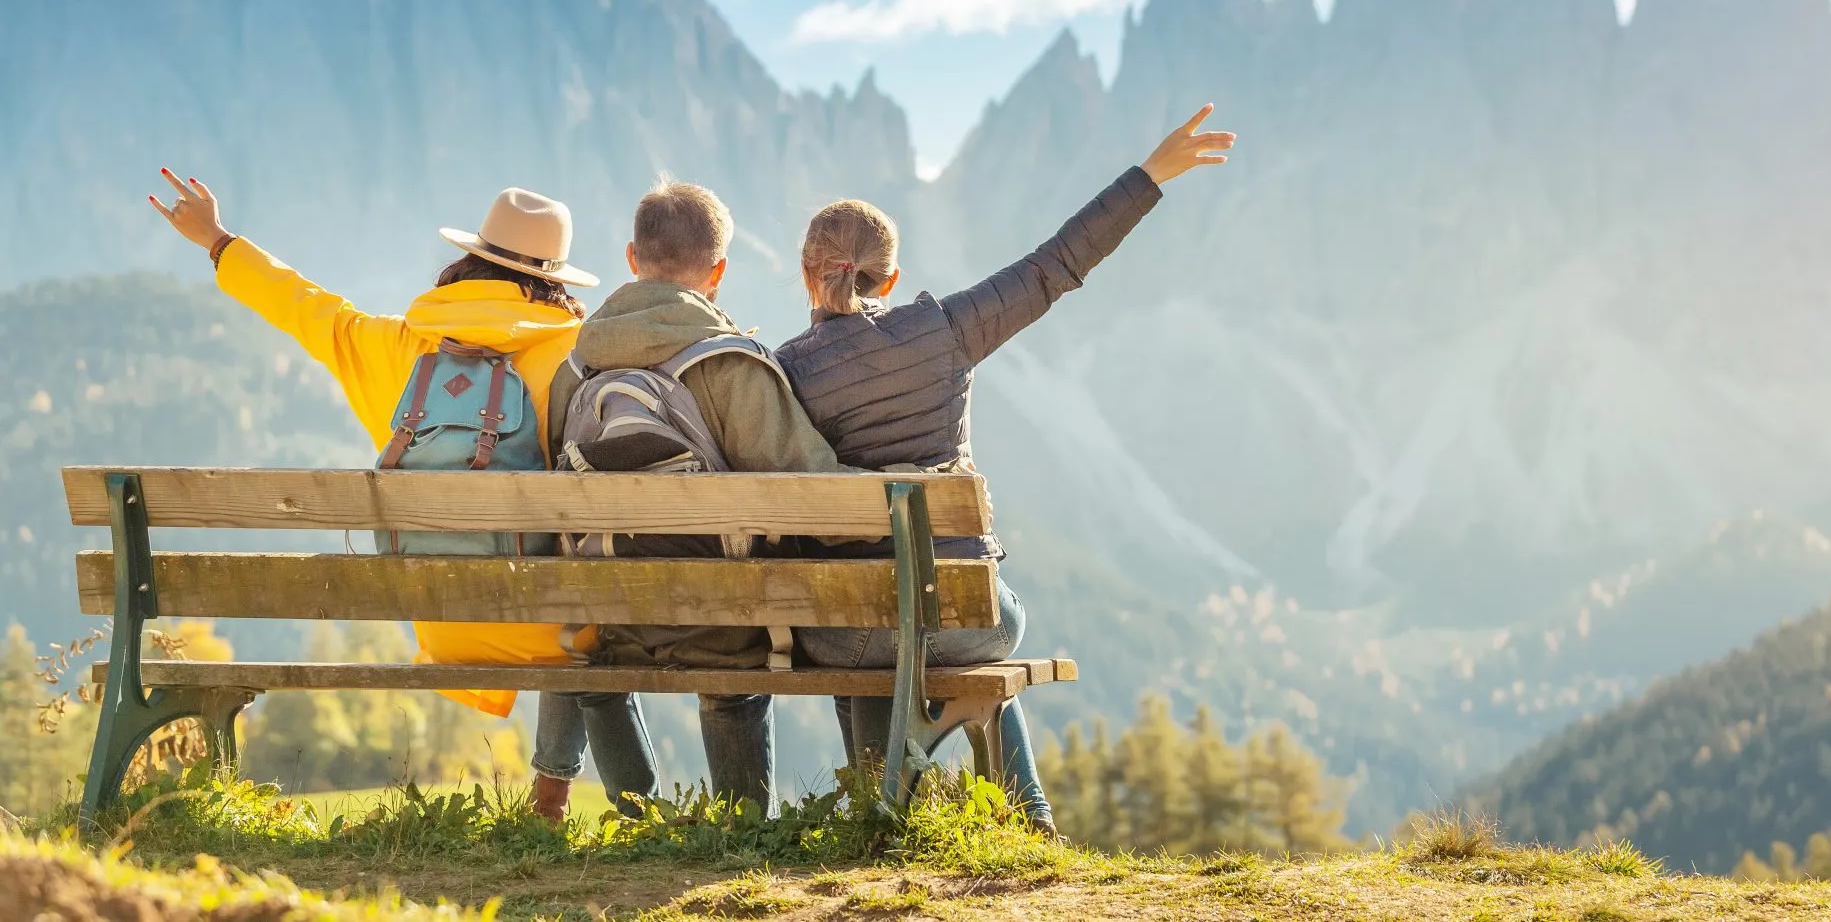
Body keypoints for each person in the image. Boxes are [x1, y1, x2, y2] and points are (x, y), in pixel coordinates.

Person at [775, 104, 1235, 837]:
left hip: (848, 634)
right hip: (966, 619)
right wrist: (1150, 174)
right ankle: (1031, 818)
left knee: (864, 615)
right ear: (891, 275)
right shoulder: (945, 327)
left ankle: (884, 810)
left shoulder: (785, 371)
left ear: (807, 274)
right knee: (980, 607)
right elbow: (1055, 264)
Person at [147, 173, 596, 719]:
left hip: (442, 617)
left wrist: (219, 242)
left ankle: (550, 794)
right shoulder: (580, 358)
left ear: (471, 261)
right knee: (598, 612)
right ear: (555, 281)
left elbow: (311, 310)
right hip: (549, 623)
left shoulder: (397, 346)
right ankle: (583, 795)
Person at [529, 177, 850, 823]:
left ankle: (639, 816)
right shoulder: (730, 365)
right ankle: (740, 825)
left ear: (630, 258)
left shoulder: (574, 372)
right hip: (719, 624)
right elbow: (818, 498)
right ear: (719, 272)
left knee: (600, 644)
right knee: (735, 658)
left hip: (612, 615)